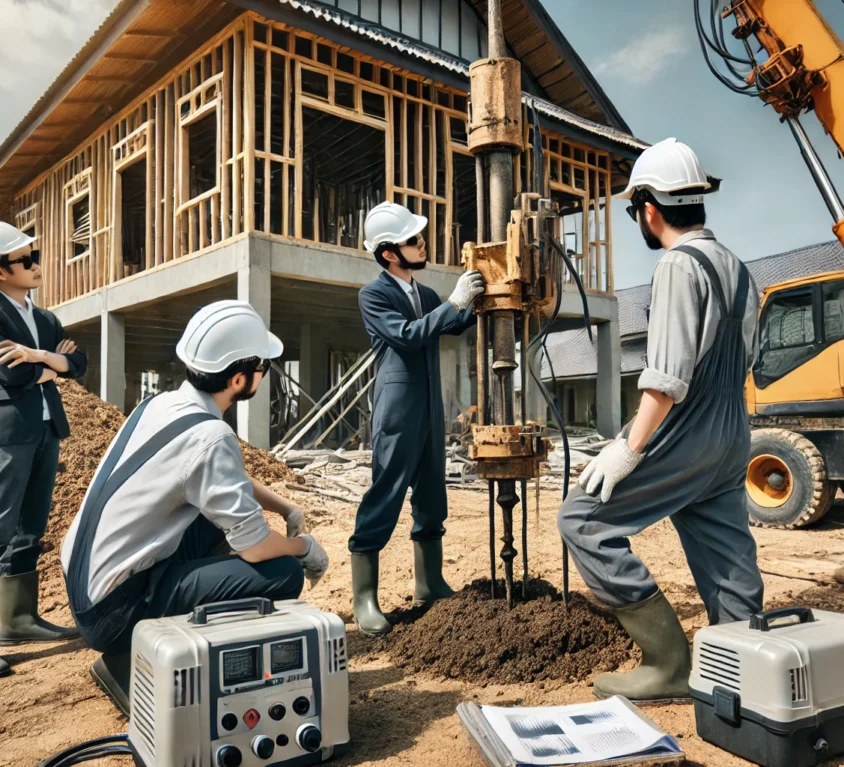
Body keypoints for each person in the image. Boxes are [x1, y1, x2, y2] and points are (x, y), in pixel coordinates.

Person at [558, 139, 764, 702]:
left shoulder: (677, 264)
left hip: (686, 429)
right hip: (731, 432)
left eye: (634, 211)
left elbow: (666, 378)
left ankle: (668, 662)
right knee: (725, 549)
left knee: (582, 519)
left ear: (649, 207)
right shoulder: (740, 271)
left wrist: (629, 449)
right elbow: (742, 357)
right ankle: (752, 668)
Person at [61, 300, 328, 714]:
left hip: (87, 583)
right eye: (264, 368)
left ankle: (138, 647)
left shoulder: (162, 406)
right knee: (280, 573)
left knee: (218, 521)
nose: (264, 374)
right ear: (239, 378)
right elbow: (256, 547)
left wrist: (288, 508)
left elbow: (219, 476)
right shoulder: (211, 435)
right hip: (115, 614)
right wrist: (305, 547)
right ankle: (130, 661)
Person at [349, 202, 485, 635]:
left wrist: (480, 295)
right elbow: (409, 337)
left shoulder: (423, 294)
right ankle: (365, 598)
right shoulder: (374, 295)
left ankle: (429, 583)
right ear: (389, 253)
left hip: (430, 409)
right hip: (397, 410)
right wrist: (454, 303)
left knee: (432, 493)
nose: (422, 243)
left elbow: (452, 323)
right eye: (413, 240)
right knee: (385, 493)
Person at [0, 222, 86, 678]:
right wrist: (55, 363)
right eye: (25, 260)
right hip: (10, 431)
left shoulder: (46, 318)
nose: (36, 266)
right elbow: (10, 377)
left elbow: (81, 362)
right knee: (0, 522)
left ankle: (18, 620)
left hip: (48, 428)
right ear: (0, 272)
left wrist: (38, 358)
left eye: (35, 257)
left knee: (30, 525)